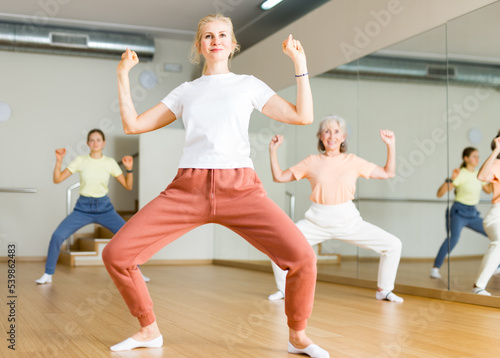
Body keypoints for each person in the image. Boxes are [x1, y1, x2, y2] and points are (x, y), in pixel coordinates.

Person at [102, 14, 329, 358]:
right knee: (116, 254)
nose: (216, 40)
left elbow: (302, 116)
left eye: (223, 35)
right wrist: (122, 76)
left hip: (241, 189)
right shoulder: (186, 92)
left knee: (302, 258)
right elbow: (133, 124)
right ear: (200, 46)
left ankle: (297, 335)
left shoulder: (248, 84)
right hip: (187, 189)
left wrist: (300, 64)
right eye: (208, 36)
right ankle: (148, 329)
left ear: (233, 44)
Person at [268, 115, 404, 303]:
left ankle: (384, 290)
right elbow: (280, 177)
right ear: (321, 137)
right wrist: (273, 151)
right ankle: (284, 290)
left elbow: (388, 173)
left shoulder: (353, 161)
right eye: (327, 131)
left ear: (343, 137)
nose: (331, 135)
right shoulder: (312, 161)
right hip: (315, 221)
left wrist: (391, 145)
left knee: (393, 245)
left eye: (336, 131)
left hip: (349, 221)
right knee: (277, 245)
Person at [36, 129, 150, 284]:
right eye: (92, 140)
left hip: (105, 208)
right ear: (87, 143)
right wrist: (59, 160)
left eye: (98, 140)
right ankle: (48, 274)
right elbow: (58, 179)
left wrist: (129, 168)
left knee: (128, 236)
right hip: (82, 209)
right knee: (57, 236)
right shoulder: (81, 160)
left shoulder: (109, 162)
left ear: (103, 143)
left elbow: (128, 186)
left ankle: (137, 273)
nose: (95, 143)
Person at [430, 147, 492, 279]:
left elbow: (488, 190)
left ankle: (496, 267)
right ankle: (435, 268)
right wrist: (451, 178)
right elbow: (440, 193)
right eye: (474, 156)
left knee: (493, 234)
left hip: (473, 213)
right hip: (458, 212)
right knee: (453, 239)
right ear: (466, 158)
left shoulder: (479, 174)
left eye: (478, 156)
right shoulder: (460, 173)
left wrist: (494, 176)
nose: (477, 159)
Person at [472, 132, 500, 295]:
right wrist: (496, 151)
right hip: (497, 216)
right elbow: (482, 176)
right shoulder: (497, 163)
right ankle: (478, 286)